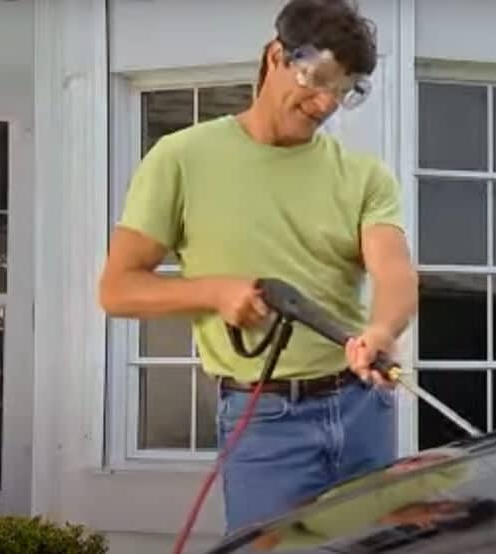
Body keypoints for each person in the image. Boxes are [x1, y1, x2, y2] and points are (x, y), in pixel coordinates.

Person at [96, 0, 418, 535]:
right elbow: (117, 289)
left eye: (342, 93)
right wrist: (215, 292)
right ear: (276, 55)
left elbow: (395, 274)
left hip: (364, 409)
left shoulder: (364, 176)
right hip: (266, 421)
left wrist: (382, 330)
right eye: (316, 82)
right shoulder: (180, 158)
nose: (324, 104)